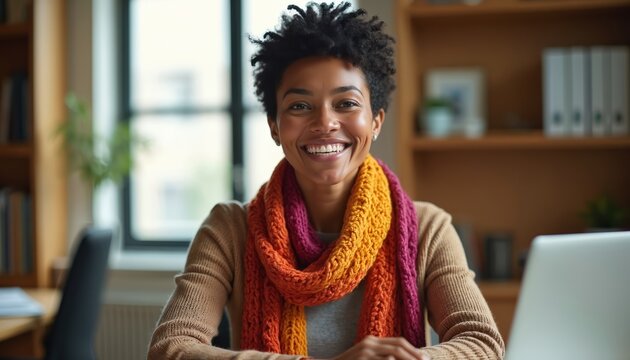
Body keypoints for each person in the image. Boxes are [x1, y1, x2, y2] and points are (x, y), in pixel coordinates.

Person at [148, 2, 504, 359]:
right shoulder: (229, 230)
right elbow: (171, 349)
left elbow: (482, 344)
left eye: (346, 103)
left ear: (376, 121)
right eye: (300, 106)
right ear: (275, 127)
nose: (325, 123)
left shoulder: (427, 228)